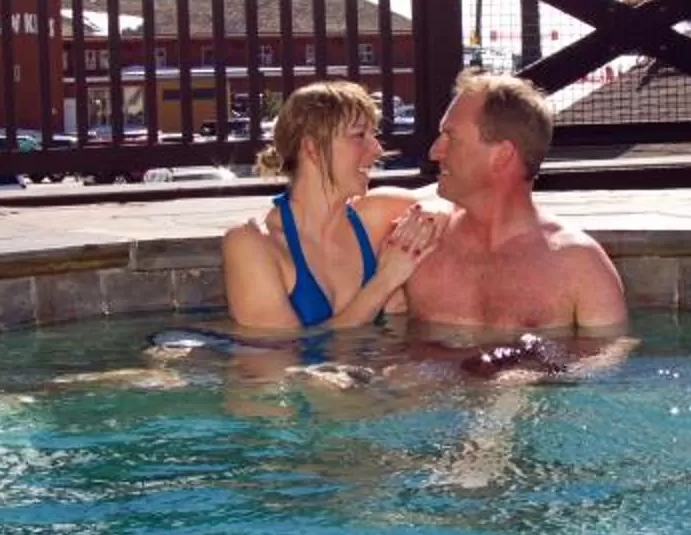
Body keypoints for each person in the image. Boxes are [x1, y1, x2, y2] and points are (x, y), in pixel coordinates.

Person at [402, 72, 629, 338]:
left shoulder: (578, 265)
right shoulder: (417, 244)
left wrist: (531, 370)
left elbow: (607, 361)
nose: (434, 152)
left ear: (502, 155)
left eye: (451, 137)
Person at [219, 81, 438, 332]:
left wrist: (431, 214)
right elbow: (279, 359)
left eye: (373, 135)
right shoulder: (253, 244)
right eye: (359, 136)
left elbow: (458, 198)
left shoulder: (375, 216)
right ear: (312, 148)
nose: (377, 149)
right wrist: (385, 282)